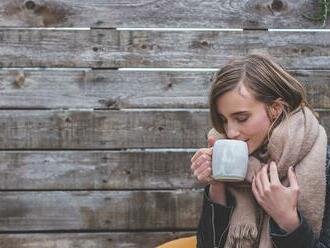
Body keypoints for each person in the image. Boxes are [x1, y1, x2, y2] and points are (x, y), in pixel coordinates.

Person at [191, 54, 330, 248]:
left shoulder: (323, 162)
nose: (230, 132)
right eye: (223, 120)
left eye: (241, 118)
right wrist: (217, 186)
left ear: (275, 109)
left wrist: (287, 219)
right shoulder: (230, 159)